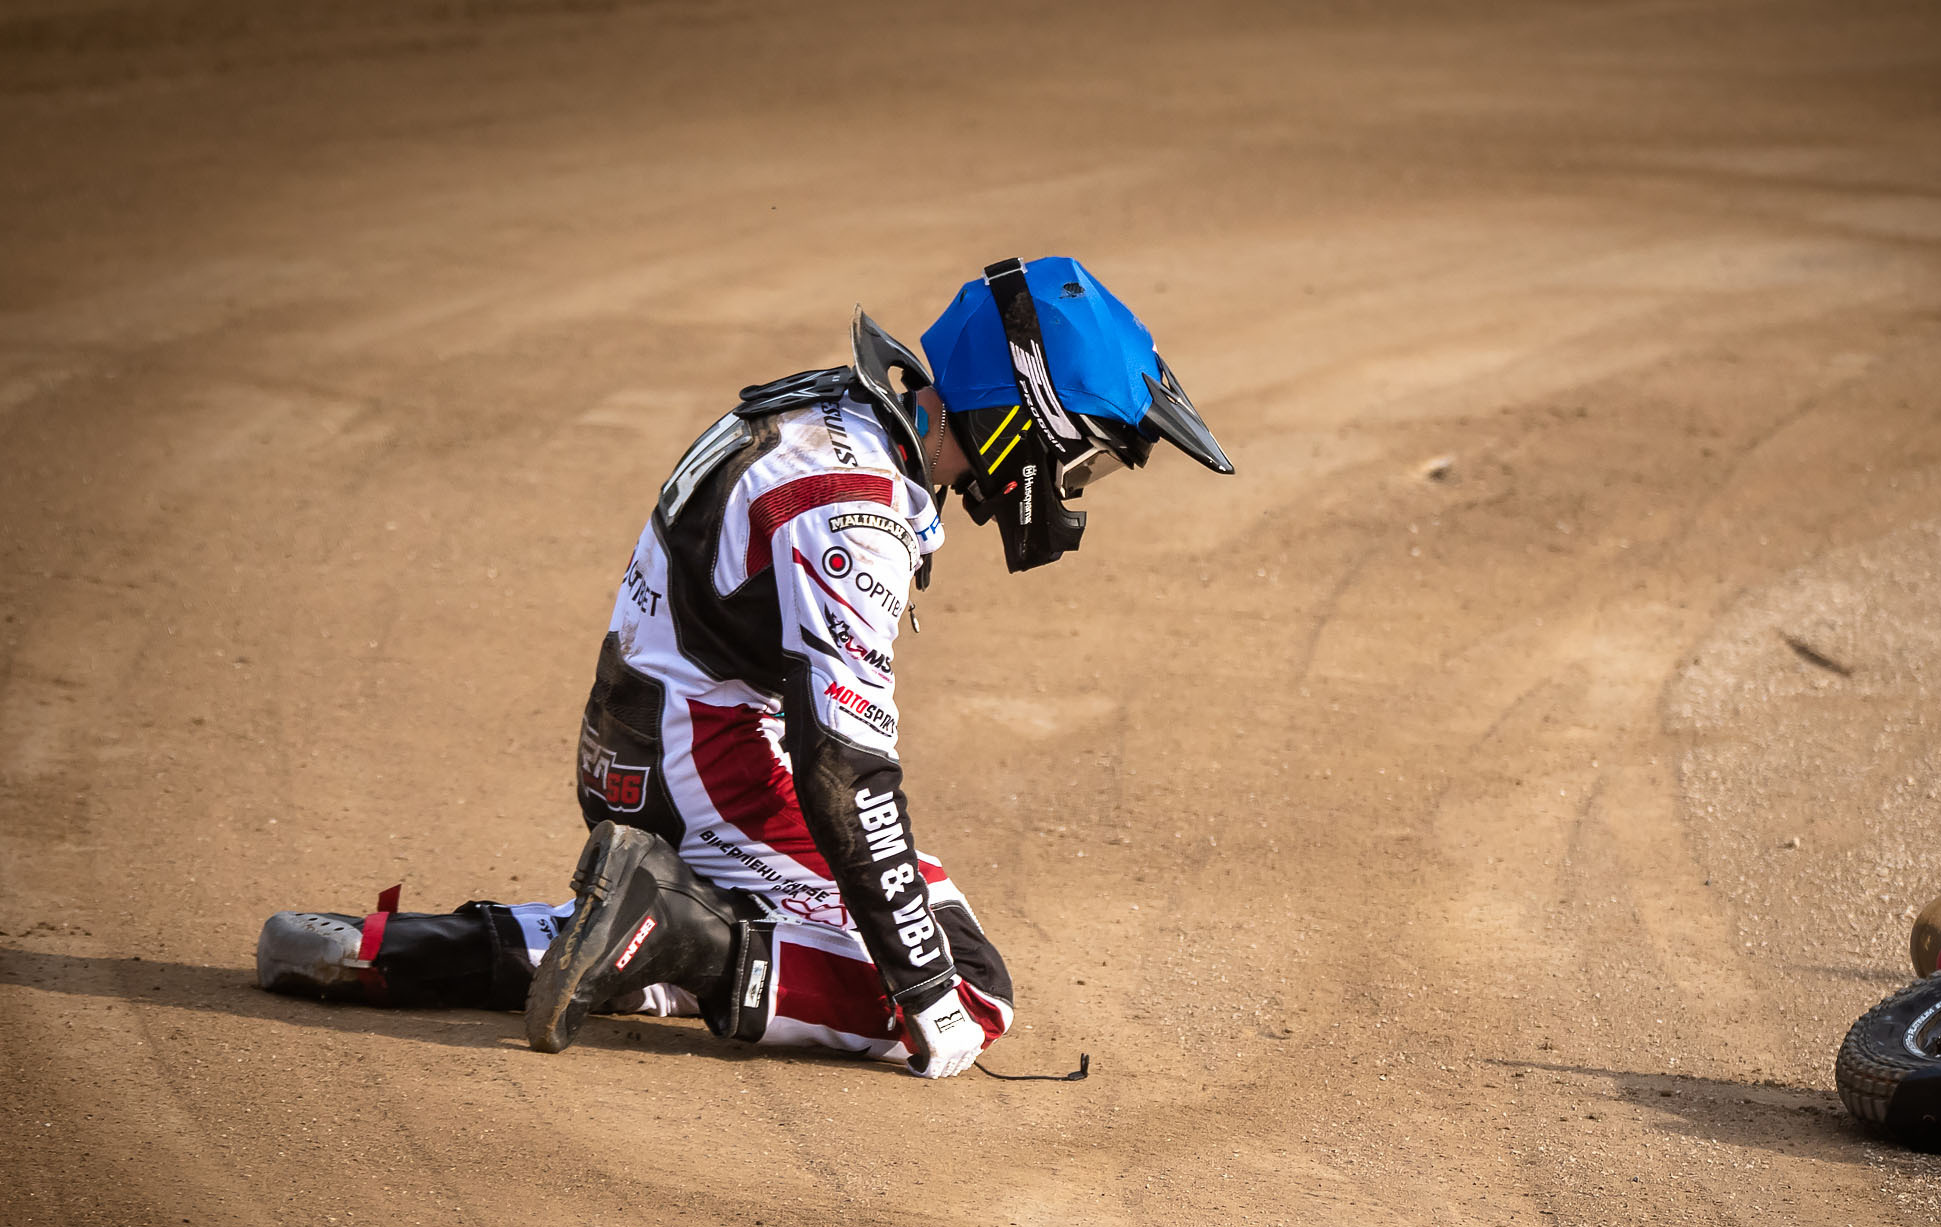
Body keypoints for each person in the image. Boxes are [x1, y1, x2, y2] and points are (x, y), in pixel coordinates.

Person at [255, 257, 1234, 1078]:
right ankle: (677, 925)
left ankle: (401, 952)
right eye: (1084, 461)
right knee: (968, 986)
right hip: (705, 767)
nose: (1073, 490)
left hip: (652, 743)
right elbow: (844, 766)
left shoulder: (839, 410)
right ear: (1027, 417)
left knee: (749, 936)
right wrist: (922, 987)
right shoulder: (851, 509)